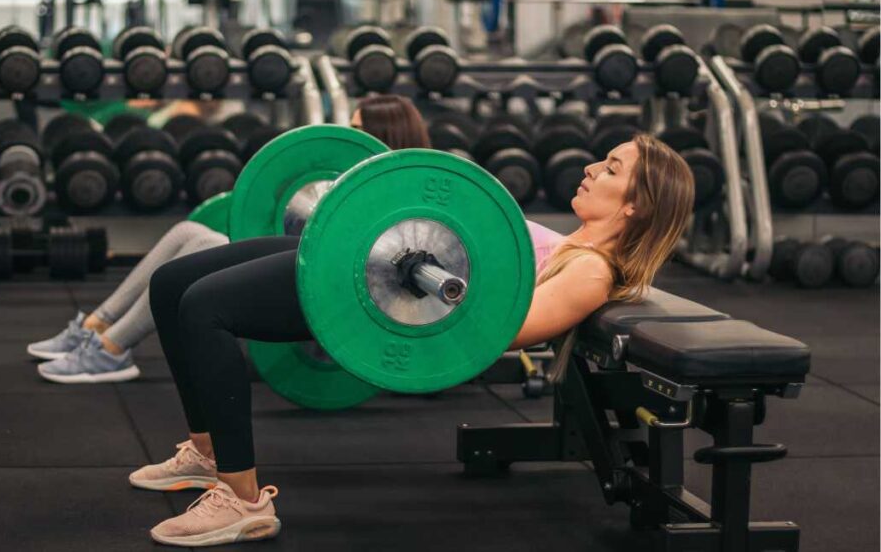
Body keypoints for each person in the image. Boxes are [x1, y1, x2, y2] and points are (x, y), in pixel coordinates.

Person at [135, 132, 695, 548]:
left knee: (205, 308)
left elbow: (505, 331)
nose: (593, 166)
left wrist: (441, 279)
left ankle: (242, 498)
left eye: (613, 168)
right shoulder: (571, 244)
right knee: (172, 284)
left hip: (379, 297)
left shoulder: (593, 270)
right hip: (375, 255)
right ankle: (207, 454)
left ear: (635, 205)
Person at [25, 94, 432, 383]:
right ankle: (98, 328)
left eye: (358, 130)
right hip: (309, 269)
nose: (347, 136)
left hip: (337, 294)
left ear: (385, 138)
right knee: (189, 231)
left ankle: (112, 350)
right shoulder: (354, 188)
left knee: (202, 246)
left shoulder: (400, 201)